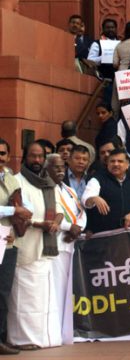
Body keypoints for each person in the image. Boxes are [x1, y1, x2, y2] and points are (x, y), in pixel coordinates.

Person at [9, 142, 64, 350]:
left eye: (41, 156)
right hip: (25, 246)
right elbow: (15, 214)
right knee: (25, 298)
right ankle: (22, 339)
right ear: (24, 158)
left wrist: (56, 222)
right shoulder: (16, 181)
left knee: (44, 299)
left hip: (46, 247)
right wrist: (39, 224)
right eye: (33, 156)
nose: (37, 160)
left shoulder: (48, 182)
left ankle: (47, 338)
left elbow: (58, 209)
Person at [46, 154, 84, 346]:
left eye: (62, 167)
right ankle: (55, 333)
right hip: (57, 244)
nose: (60, 170)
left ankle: (65, 331)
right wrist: (69, 228)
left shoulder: (69, 190)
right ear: (47, 169)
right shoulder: (46, 188)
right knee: (57, 290)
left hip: (71, 243)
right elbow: (50, 215)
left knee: (67, 291)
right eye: (56, 167)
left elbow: (81, 213)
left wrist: (78, 230)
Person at [0, 138, 30, 355]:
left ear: (8, 156)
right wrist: (14, 212)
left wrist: (23, 213)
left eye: (2, 153)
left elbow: (23, 204)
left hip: (8, 242)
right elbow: (14, 210)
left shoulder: (12, 179)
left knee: (3, 292)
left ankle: (2, 338)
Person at [82, 148, 130, 233]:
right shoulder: (97, 179)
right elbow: (85, 199)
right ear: (107, 163)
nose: (116, 164)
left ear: (127, 165)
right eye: (112, 161)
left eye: (120, 161)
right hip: (104, 235)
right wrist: (94, 198)